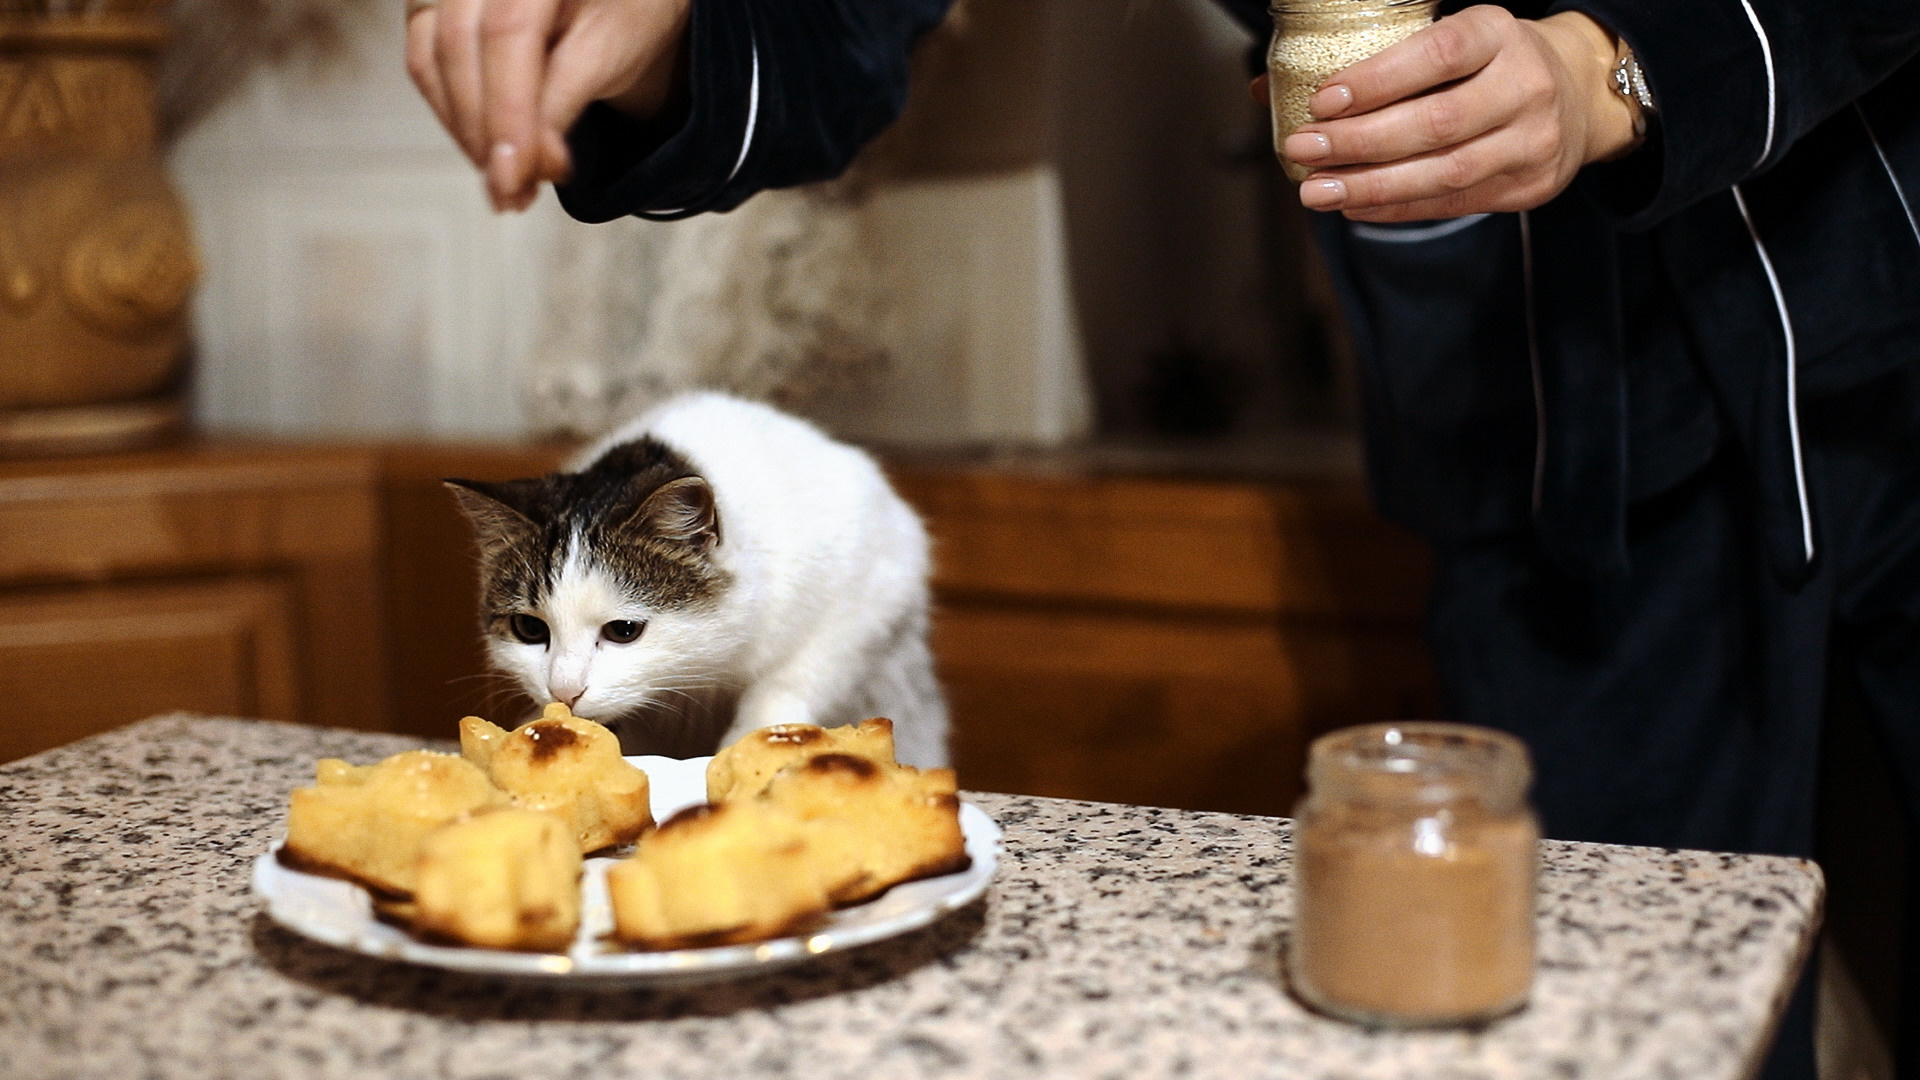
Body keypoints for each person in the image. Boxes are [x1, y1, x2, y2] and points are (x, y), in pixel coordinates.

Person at [403, 1, 1920, 1074]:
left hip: (1889, 309)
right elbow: (827, 31)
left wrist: (1624, 66)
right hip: (1545, 445)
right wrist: (676, 39)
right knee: (1588, 1031)